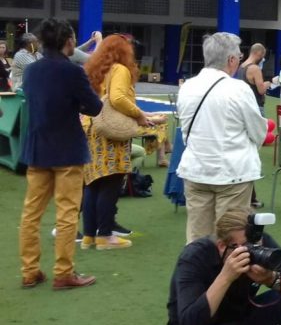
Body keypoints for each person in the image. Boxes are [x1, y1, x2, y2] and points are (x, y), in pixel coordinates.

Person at [18, 19, 103, 290]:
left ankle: (30, 271)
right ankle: (63, 272)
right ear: (68, 41)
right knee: (66, 213)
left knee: (31, 213)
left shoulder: (31, 71)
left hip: (37, 149)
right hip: (67, 150)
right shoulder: (73, 72)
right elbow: (94, 107)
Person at [177, 33, 267, 244]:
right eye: (238, 55)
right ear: (231, 60)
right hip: (232, 172)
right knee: (231, 239)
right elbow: (258, 132)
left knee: (198, 239)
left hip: (196, 169)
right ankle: (227, 276)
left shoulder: (188, 86)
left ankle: (197, 276)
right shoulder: (238, 89)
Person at [81, 34, 164, 250]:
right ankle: (105, 235)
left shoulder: (95, 70)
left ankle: (89, 236)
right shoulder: (120, 69)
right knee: (111, 182)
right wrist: (139, 115)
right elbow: (117, 98)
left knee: (92, 183)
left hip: (91, 128)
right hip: (111, 132)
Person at [239, 43, 271, 114]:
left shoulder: (241, 66)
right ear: (259, 53)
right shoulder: (255, 68)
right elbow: (261, 90)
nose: (263, 59)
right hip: (255, 106)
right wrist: (268, 83)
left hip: (244, 105)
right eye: (263, 56)